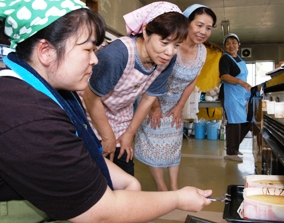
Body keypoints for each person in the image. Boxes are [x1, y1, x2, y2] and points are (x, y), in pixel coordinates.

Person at [0, 1, 214, 222]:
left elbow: (77, 152)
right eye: (88, 49)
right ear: (46, 51)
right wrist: (177, 199)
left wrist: (129, 178)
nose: (95, 59)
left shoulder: (48, 90)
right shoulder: (30, 118)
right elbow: (100, 212)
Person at [82, 2, 190, 176]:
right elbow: (90, 97)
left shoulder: (166, 61)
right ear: (146, 31)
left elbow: (148, 98)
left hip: (120, 115)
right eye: (164, 42)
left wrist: (129, 134)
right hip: (89, 112)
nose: (170, 52)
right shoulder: (117, 55)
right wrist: (107, 136)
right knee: (94, 174)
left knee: (124, 170)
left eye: (176, 45)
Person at [134, 4, 217, 191]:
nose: (203, 31)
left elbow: (192, 81)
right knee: (155, 144)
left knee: (173, 144)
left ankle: (174, 187)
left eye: (209, 28)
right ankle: (162, 188)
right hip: (153, 100)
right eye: (199, 25)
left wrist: (180, 107)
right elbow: (150, 77)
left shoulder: (202, 51)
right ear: (187, 23)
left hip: (176, 104)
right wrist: (154, 108)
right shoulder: (171, 46)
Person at [219, 33, 252, 162]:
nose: (231, 46)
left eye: (233, 43)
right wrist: (240, 82)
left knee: (248, 121)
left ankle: (234, 147)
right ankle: (231, 153)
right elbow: (224, 76)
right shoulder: (225, 59)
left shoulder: (239, 59)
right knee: (234, 123)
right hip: (230, 95)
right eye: (228, 44)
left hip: (241, 94)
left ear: (238, 45)